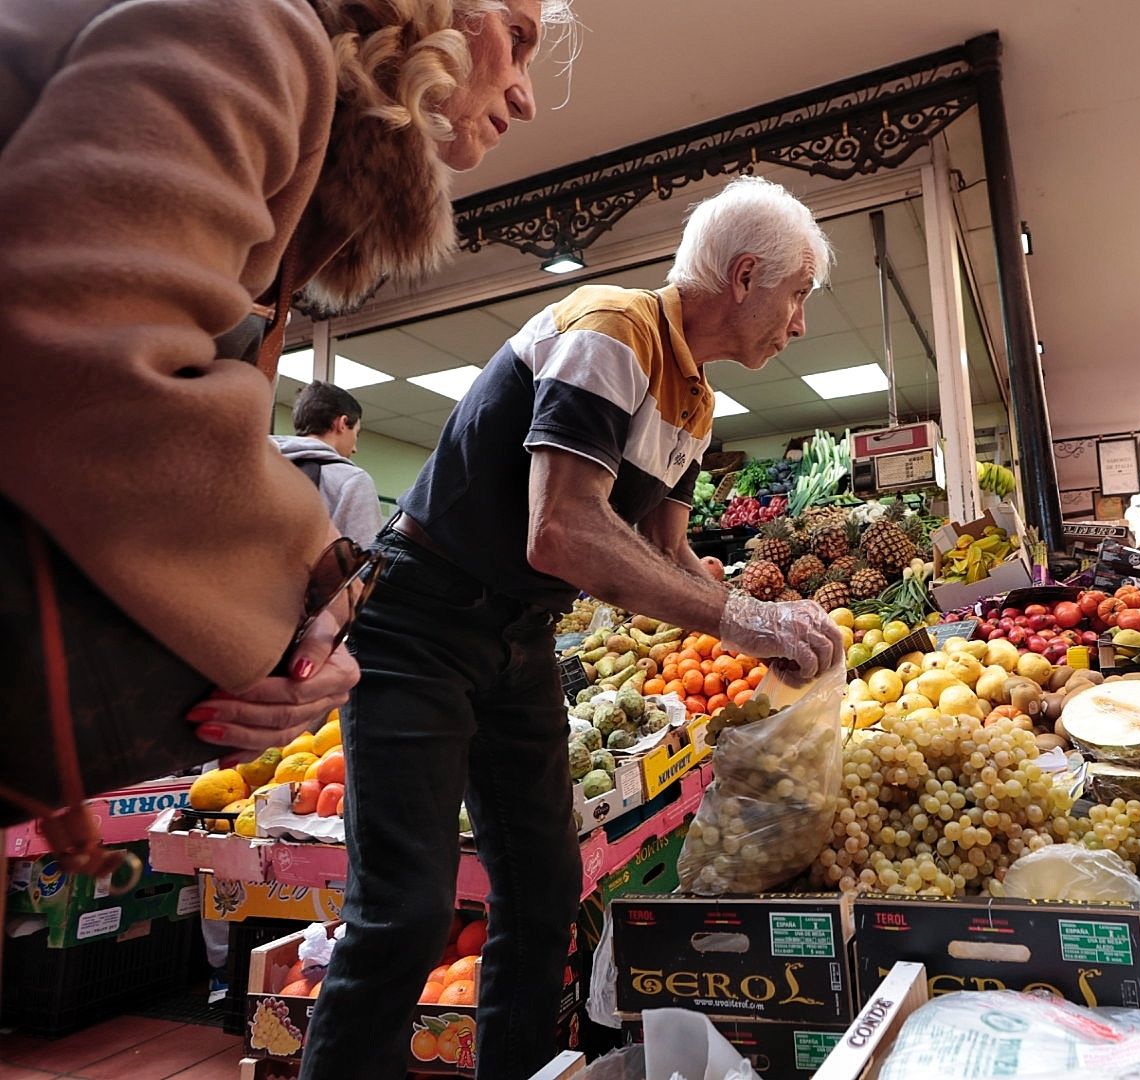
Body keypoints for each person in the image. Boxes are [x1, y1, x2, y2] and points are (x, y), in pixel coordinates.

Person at [300, 176, 845, 1079]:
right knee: (403, 912)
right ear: (747, 275)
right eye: (796, 297)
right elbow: (560, 530)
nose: (799, 323)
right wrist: (740, 618)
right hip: (420, 621)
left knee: (546, 892)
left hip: (519, 638)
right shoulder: (613, 328)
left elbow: (665, 556)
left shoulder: (696, 402)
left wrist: (753, 602)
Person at [0, 0, 567, 855]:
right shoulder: (252, 23)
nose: (527, 97)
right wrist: (309, 589)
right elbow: (79, 356)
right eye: (518, 39)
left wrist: (295, 639)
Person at [274, 382, 385, 544]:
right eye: (356, 434)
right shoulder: (352, 479)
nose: (354, 449)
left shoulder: (261, 462)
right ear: (341, 423)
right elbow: (364, 559)